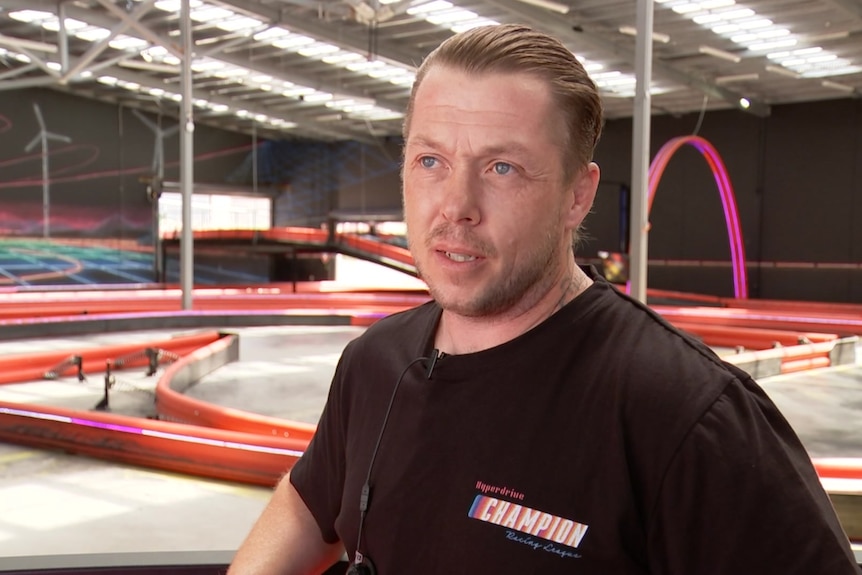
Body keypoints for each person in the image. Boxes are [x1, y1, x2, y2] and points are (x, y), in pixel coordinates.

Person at [228, 23, 860, 574]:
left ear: (577, 195)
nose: (456, 206)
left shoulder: (685, 414)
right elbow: (308, 502)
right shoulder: (373, 363)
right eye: (430, 161)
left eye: (502, 168)